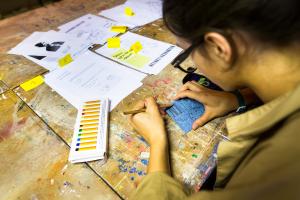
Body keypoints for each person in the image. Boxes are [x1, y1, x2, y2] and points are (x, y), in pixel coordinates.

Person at [128, 0, 300, 199]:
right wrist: (239, 98)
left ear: (219, 48)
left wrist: (157, 143)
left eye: (186, 51)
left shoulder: (274, 166)